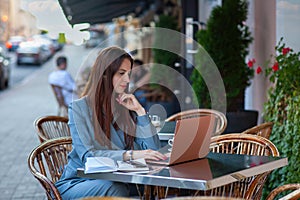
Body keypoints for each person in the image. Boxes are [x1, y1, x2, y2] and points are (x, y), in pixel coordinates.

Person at [55, 46, 167, 199]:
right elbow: (89, 155)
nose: (127, 80)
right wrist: (131, 155)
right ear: (105, 75)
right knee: (117, 190)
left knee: (153, 189)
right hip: (80, 182)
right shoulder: (79, 108)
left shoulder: (125, 107)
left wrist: (140, 112)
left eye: (129, 74)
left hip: (119, 180)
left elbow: (153, 150)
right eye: (121, 73)